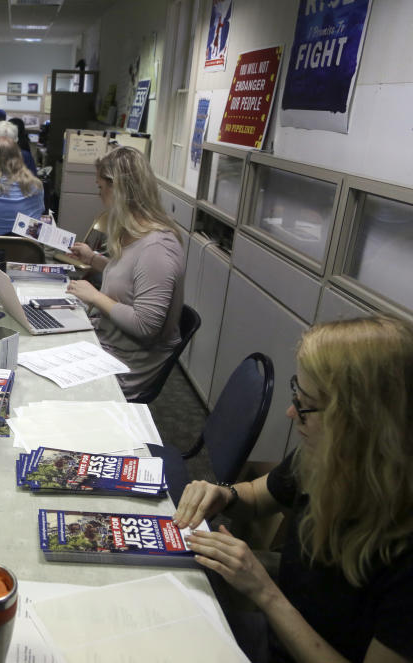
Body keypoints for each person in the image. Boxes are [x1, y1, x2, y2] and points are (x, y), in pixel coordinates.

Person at [173, 315, 413, 663]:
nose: (290, 412)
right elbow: (258, 496)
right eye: (295, 394)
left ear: (361, 421)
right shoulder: (327, 457)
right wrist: (225, 494)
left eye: (305, 405)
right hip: (280, 628)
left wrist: (265, 593)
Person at [66, 146, 185, 399]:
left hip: (126, 365)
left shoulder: (157, 248)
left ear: (118, 188)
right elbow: (130, 278)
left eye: (101, 188)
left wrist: (96, 297)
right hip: (110, 344)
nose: (99, 196)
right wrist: (94, 259)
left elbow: (145, 324)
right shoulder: (134, 234)